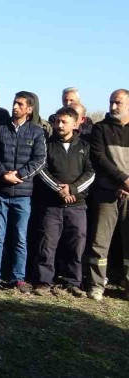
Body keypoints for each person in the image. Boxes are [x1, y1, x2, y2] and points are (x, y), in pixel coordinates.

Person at [0, 91, 46, 292]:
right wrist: (3, 174)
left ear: (29, 109)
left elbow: (39, 160)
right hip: (1, 191)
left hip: (23, 194)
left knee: (20, 238)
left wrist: (19, 175)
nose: (15, 107)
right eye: (14, 103)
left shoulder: (37, 132)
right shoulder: (0, 129)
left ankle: (18, 277)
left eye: (20, 104)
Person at [32, 106, 93, 297]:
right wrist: (60, 189)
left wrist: (72, 189)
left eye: (64, 121)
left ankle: (73, 282)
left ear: (75, 124)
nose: (59, 125)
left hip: (77, 206)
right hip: (51, 205)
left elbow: (90, 173)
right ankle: (43, 282)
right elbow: (41, 169)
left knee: (76, 246)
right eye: (57, 121)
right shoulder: (47, 145)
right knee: (47, 245)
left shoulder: (84, 146)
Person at [85, 89, 129, 301]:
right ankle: (96, 285)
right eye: (111, 102)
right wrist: (123, 179)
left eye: (118, 103)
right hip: (107, 193)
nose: (113, 107)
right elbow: (99, 158)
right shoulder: (100, 128)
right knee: (99, 242)